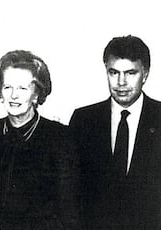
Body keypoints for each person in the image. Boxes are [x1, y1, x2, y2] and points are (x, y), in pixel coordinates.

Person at [0, 50, 78, 230]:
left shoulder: (59, 137)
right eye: (7, 87)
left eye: (22, 88)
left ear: (36, 94)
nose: (13, 96)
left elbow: (68, 215)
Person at [69, 35, 161, 229]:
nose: (121, 82)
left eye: (130, 73)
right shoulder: (83, 120)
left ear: (145, 74)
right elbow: (71, 192)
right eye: (114, 72)